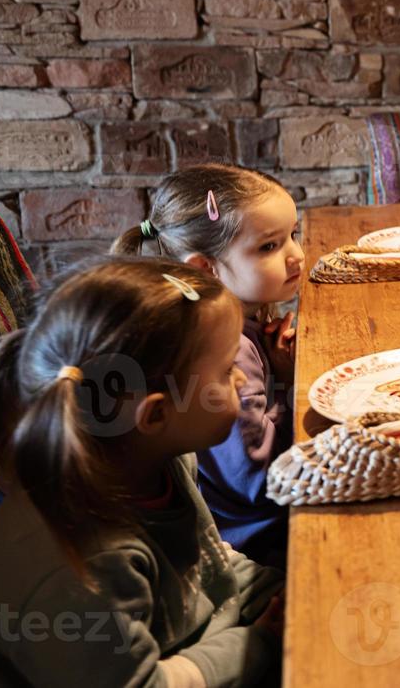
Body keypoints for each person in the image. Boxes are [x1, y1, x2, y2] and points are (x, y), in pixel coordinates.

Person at [0, 258, 284, 685]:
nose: (242, 383)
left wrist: (288, 592)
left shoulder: (162, 460)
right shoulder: (82, 569)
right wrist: (262, 641)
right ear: (155, 414)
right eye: (228, 370)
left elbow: (210, 564)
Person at [113, 164, 305, 567]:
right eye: (269, 246)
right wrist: (291, 385)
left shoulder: (241, 325)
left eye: (294, 235)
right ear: (205, 268)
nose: (297, 255)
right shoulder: (224, 351)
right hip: (262, 539)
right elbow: (260, 479)